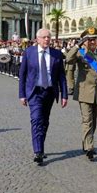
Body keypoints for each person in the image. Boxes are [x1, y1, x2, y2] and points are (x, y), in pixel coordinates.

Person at [18, 28, 68, 166]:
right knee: (36, 120)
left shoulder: (57, 54)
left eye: (49, 37)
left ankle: (40, 144)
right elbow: (22, 75)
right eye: (44, 37)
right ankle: (38, 151)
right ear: (37, 39)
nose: (47, 39)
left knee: (45, 121)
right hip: (34, 92)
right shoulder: (29, 53)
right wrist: (22, 94)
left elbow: (62, 77)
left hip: (50, 92)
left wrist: (64, 95)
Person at [66, 27, 97, 161]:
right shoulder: (80, 53)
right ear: (85, 41)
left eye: (94, 39)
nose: (93, 42)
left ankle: (86, 142)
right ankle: (89, 147)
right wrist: (78, 45)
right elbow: (68, 59)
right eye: (89, 40)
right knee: (87, 120)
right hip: (84, 92)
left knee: (94, 120)